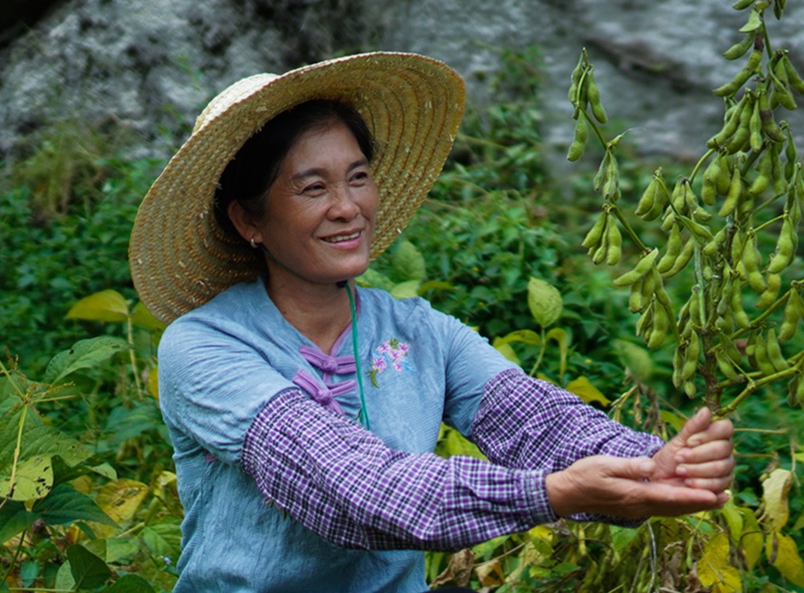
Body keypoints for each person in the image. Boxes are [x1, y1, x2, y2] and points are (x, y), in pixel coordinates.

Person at [129, 52, 736, 593]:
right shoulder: (205, 345)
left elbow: (538, 425)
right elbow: (355, 490)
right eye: (312, 187)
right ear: (248, 220)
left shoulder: (422, 332)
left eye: (358, 176)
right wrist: (553, 494)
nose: (348, 207)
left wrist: (656, 465)